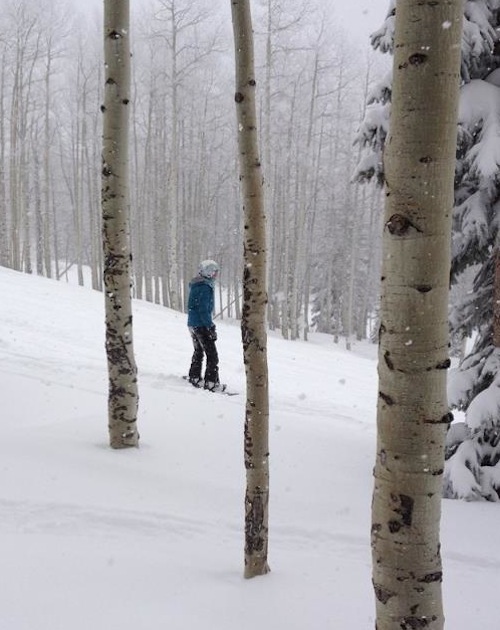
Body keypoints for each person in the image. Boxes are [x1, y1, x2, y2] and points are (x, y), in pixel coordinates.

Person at [187, 259, 224, 392]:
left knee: (199, 351)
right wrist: (210, 326)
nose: (216, 275)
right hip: (201, 325)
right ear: (208, 273)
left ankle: (194, 376)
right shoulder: (205, 287)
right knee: (212, 355)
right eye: (214, 272)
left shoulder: (197, 285)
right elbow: (203, 309)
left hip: (193, 323)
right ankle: (211, 382)